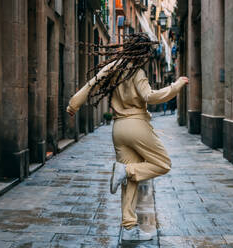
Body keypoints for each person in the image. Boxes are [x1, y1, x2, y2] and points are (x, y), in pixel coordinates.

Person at [66, 33, 189, 241]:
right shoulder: (137, 72)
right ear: (142, 53)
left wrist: (73, 104)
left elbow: (91, 83)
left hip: (118, 129)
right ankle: (126, 170)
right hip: (136, 125)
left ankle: (129, 229)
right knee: (163, 163)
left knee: (129, 181)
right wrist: (176, 86)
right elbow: (150, 97)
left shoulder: (114, 67)